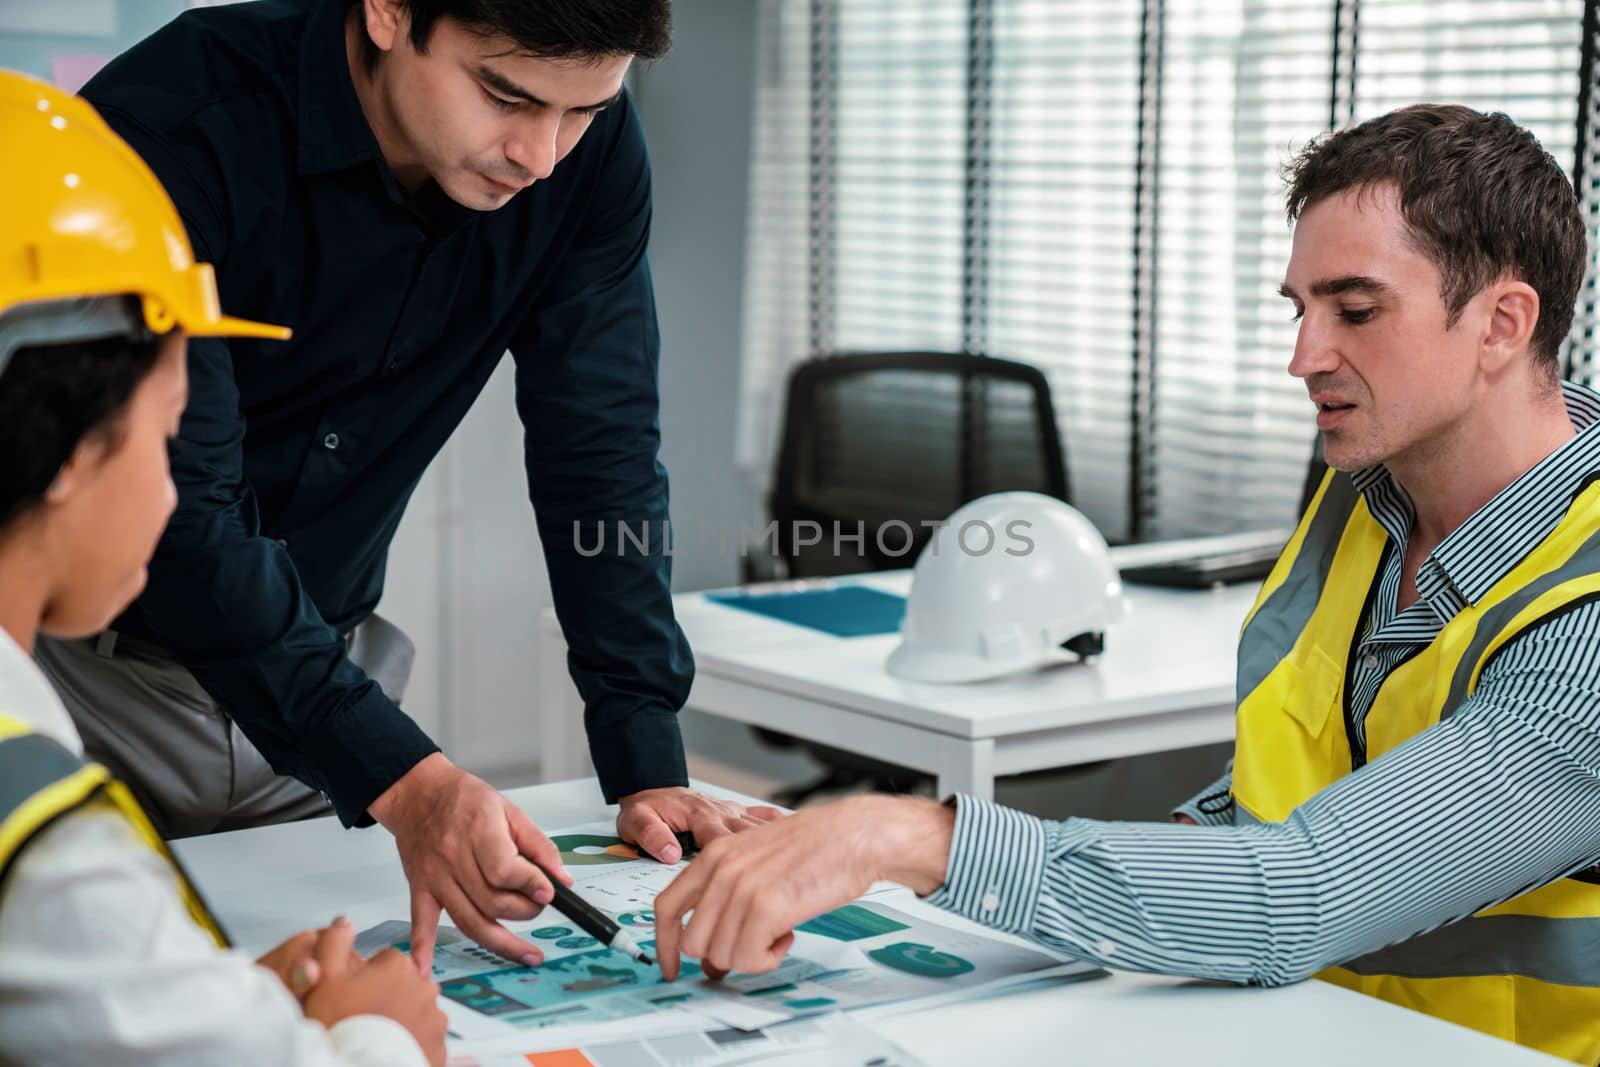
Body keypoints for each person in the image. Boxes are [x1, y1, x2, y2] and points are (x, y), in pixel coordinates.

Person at [653, 104, 1600, 1063]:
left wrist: (902, 839)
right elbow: (1277, 799)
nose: (1304, 357)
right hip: (1317, 1027)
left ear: (1502, 323)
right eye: (1300, 309)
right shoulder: (1367, 497)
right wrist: (1096, 880)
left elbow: (1301, 892)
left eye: (1355, 311)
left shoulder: (1586, 624)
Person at [34, 0, 778, 973]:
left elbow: (603, 453)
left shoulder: (582, 159)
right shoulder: (177, 123)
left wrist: (646, 763)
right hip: (88, 686)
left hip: (324, 694)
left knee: (328, 1006)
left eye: (583, 112)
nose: (540, 155)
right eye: (505, 95)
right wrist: (402, 773)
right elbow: (182, 507)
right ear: (388, 11)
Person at [0, 68, 447, 1067]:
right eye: (168, 437)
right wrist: (378, 1034)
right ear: (76, 450)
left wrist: (211, 1003)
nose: (174, 494)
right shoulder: (39, 826)